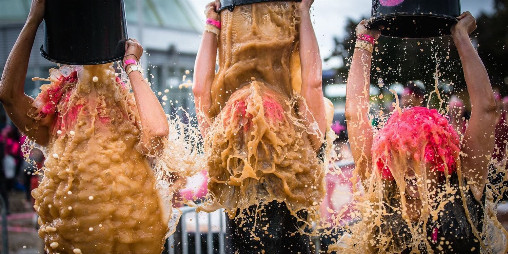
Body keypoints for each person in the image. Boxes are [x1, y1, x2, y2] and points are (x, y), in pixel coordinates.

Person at [0, 0, 170, 253]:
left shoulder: (130, 116)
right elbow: (9, 95)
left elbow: (157, 132)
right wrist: (34, 20)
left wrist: (132, 65)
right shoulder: (55, 120)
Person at [345, 12, 501, 252]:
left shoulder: (464, 184)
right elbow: (355, 115)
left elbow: (487, 110)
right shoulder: (381, 191)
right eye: (399, 159)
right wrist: (364, 41)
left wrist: (460, 37)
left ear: (440, 160)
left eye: (418, 159)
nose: (407, 172)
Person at [193, 0, 326, 252]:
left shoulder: (221, 151)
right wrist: (303, 13)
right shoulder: (307, 140)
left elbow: (200, 90)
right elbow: (313, 82)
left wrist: (212, 24)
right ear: (284, 126)